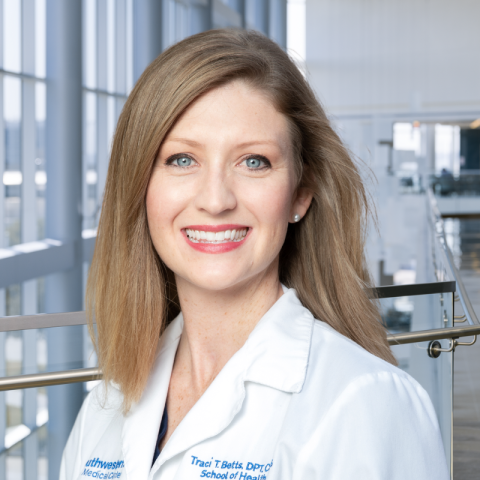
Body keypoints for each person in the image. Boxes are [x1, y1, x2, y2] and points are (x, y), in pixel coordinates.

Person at [60, 29, 449, 479]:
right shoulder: (107, 403)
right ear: (140, 187)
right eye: (182, 159)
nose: (215, 199)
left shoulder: (366, 402)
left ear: (300, 193)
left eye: (254, 161)